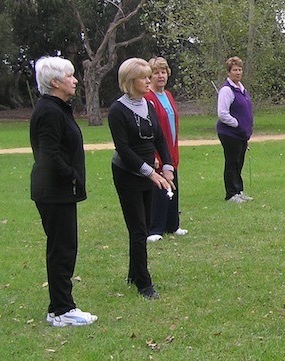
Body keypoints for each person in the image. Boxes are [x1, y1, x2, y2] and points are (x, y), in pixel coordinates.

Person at [30, 56, 98, 327]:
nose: (75, 80)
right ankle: (60, 310)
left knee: (64, 248)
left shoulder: (57, 108)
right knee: (62, 249)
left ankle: (61, 306)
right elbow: (49, 155)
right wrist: (71, 176)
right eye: (70, 75)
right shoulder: (49, 111)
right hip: (54, 192)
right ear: (55, 82)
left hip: (59, 191)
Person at [108, 57, 175, 299]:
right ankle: (144, 284)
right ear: (129, 81)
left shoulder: (148, 104)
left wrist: (167, 167)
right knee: (138, 229)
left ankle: (133, 272)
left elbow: (159, 138)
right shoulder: (117, 110)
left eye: (149, 76)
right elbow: (123, 150)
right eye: (144, 77)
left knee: (144, 224)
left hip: (149, 172)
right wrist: (151, 173)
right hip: (128, 174)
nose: (149, 81)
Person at [144, 57, 188, 243]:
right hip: (157, 153)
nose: (160, 76)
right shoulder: (148, 98)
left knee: (173, 186)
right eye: (156, 72)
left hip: (171, 149)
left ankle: (173, 225)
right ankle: (155, 228)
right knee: (159, 189)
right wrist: (154, 154)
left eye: (163, 72)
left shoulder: (168, 95)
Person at [216, 56, 254, 203]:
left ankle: (239, 190)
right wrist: (237, 124)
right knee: (232, 162)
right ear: (229, 72)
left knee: (239, 162)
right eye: (234, 70)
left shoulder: (242, 90)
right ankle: (231, 194)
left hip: (241, 135)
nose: (238, 72)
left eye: (239, 69)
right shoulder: (226, 90)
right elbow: (223, 113)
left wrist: (245, 130)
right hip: (229, 134)